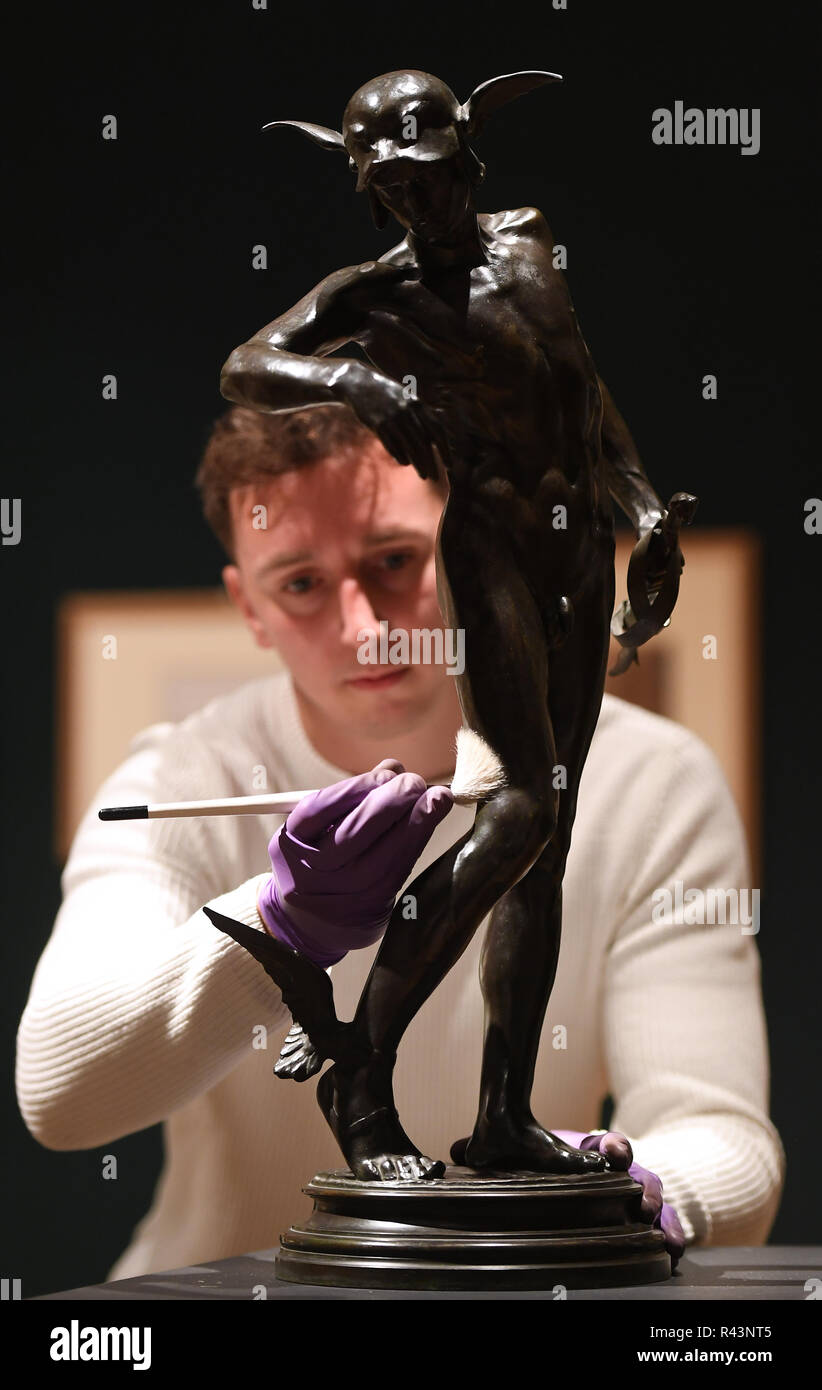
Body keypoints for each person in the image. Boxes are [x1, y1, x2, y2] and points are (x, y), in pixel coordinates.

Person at [16, 405, 784, 1282]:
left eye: (395, 561)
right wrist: (278, 927)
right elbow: (59, 1097)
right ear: (250, 609)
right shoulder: (180, 781)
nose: (365, 628)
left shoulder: (653, 782)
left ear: (479, 544)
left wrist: (610, 1190)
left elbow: (728, 1146)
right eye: (300, 583)